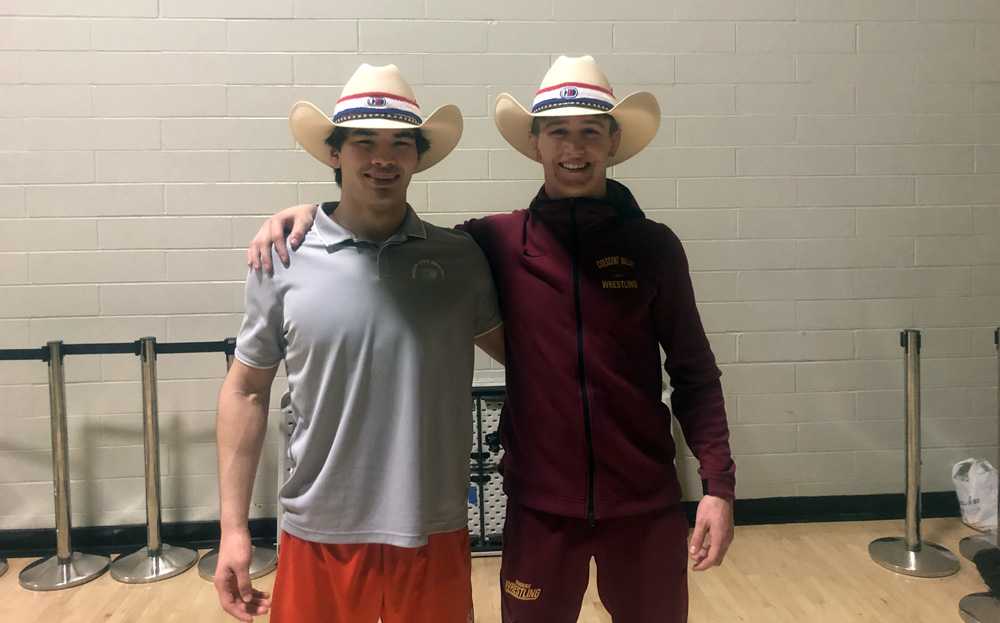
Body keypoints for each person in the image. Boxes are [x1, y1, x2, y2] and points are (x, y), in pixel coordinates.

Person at [246, 56, 735, 623]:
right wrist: (312, 214)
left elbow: (695, 373)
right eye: (557, 131)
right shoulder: (490, 245)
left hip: (645, 504)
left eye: (589, 132)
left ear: (613, 141)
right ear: (534, 142)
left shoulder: (655, 247)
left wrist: (718, 485)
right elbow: (386, 231)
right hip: (538, 509)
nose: (573, 148)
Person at [214, 63, 504, 623]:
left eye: (400, 142)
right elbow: (245, 391)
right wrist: (232, 530)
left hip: (433, 526)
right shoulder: (282, 257)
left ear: (418, 156)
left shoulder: (461, 258)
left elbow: (533, 356)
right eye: (364, 142)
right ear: (334, 153)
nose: (382, 158)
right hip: (317, 529)